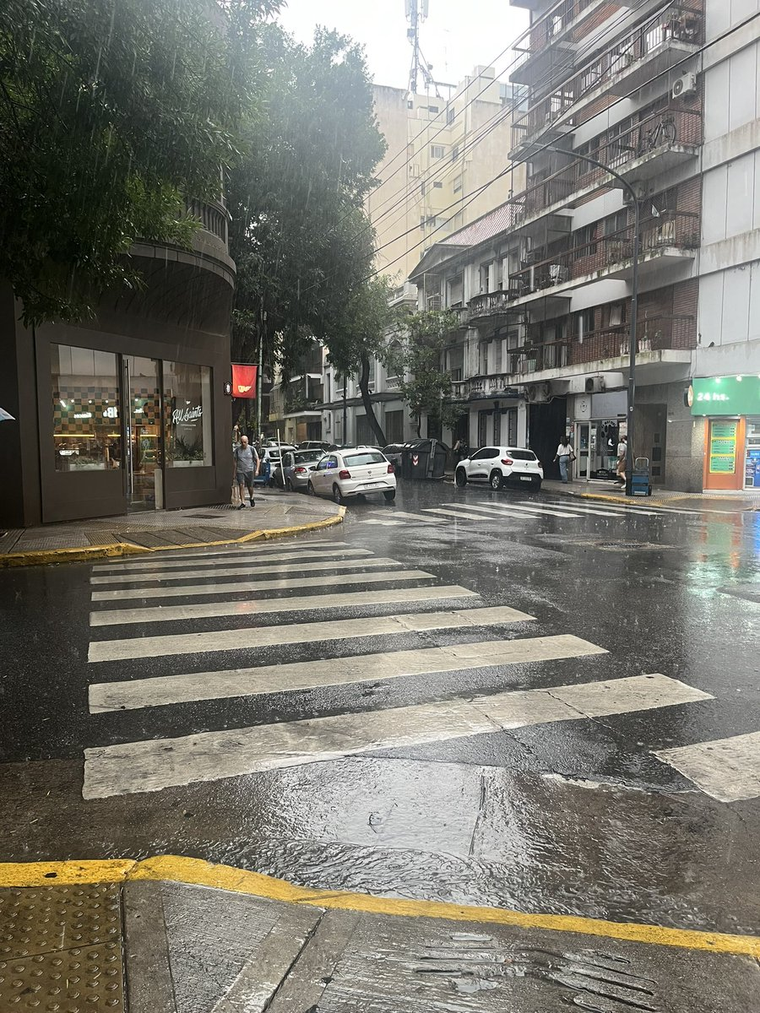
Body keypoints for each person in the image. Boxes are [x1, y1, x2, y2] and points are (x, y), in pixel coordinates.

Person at [233, 434, 259, 508]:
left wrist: (257, 470)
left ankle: (251, 497)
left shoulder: (251, 449)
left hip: (250, 470)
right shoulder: (237, 450)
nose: (243, 444)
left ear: (247, 442)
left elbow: (257, 459)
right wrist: (234, 473)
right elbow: (235, 462)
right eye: (242, 442)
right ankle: (243, 502)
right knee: (241, 485)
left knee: (250, 487)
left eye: (245, 442)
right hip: (240, 471)